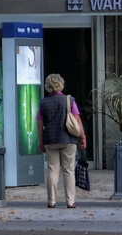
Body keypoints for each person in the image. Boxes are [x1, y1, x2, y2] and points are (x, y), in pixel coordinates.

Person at [36, 72, 88, 208]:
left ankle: (51, 201)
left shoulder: (43, 103)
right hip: (68, 139)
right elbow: (77, 119)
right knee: (68, 170)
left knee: (52, 170)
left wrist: (41, 141)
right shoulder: (69, 100)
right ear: (61, 85)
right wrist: (82, 136)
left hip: (50, 140)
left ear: (48, 86)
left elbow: (40, 124)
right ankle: (70, 201)